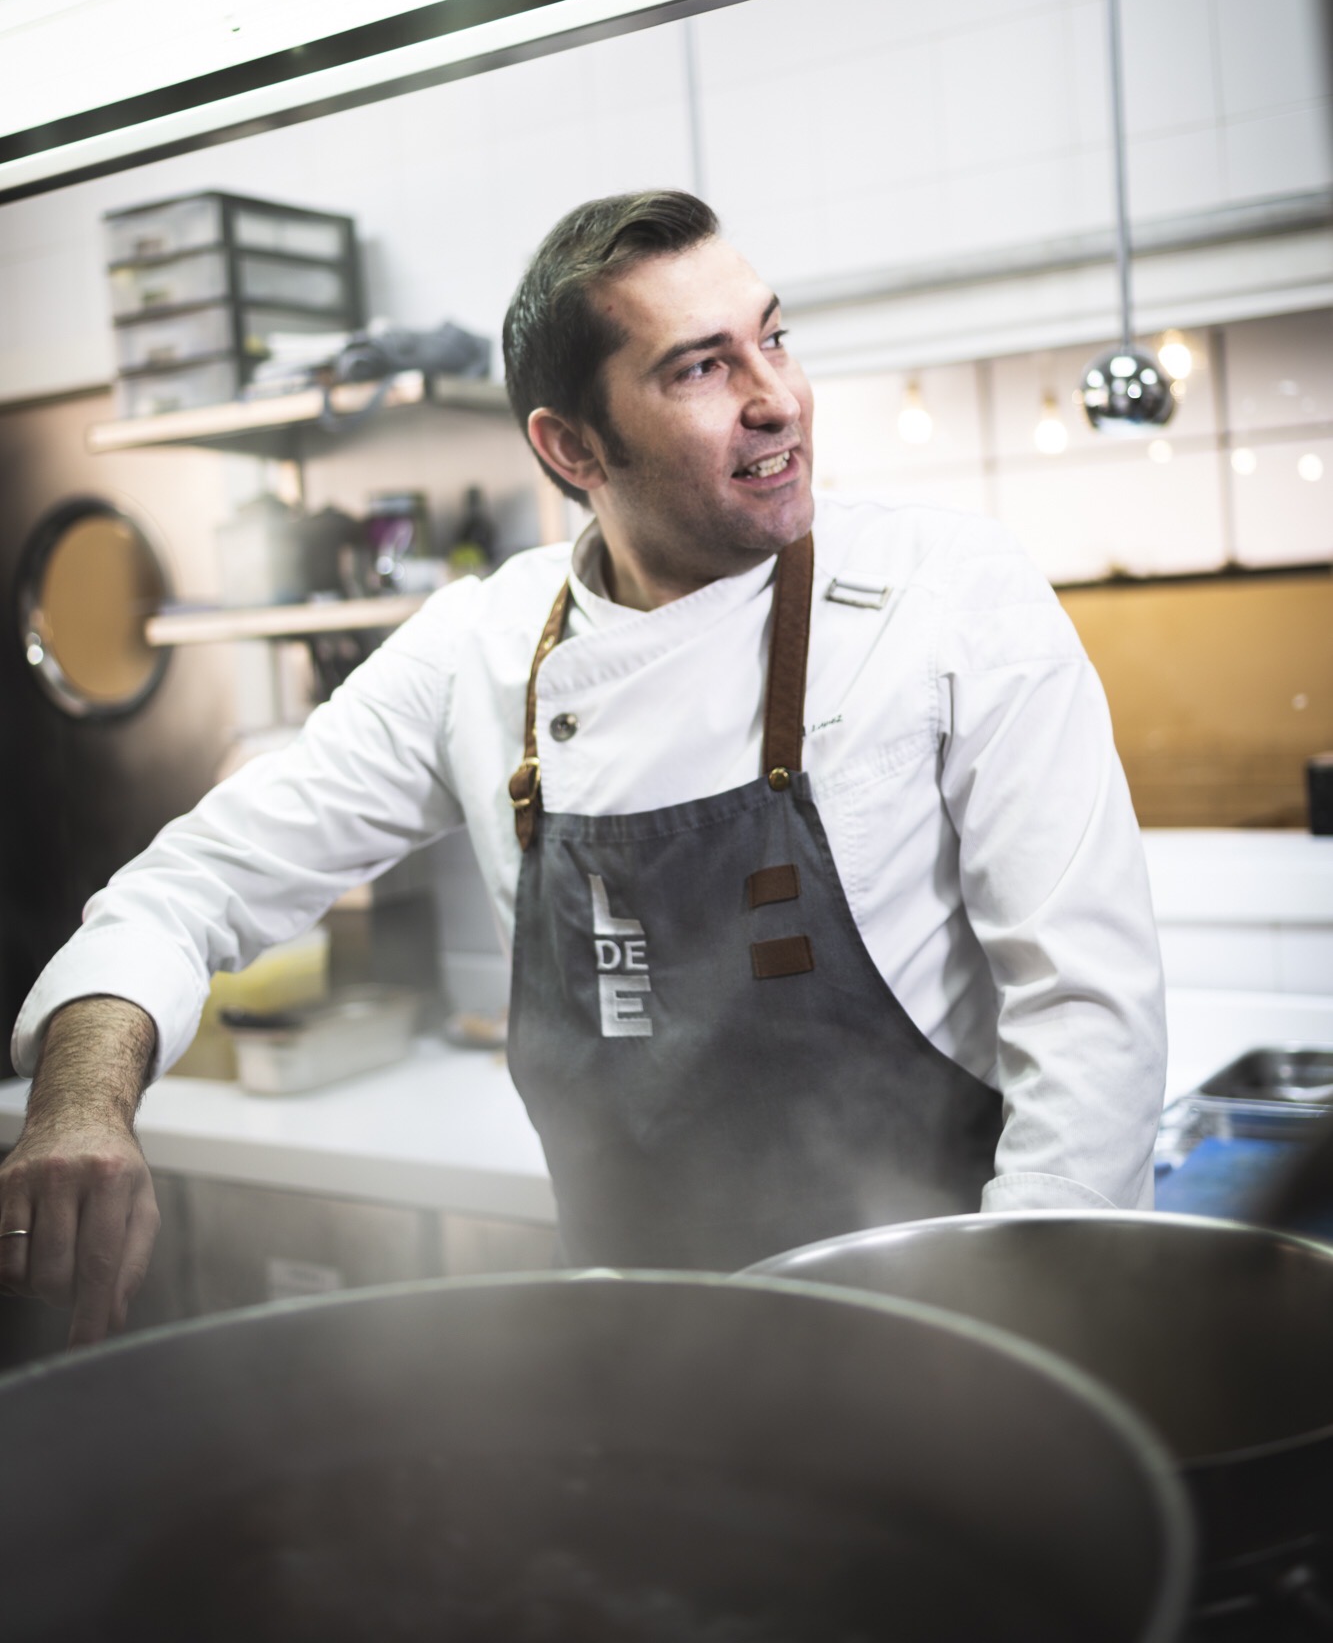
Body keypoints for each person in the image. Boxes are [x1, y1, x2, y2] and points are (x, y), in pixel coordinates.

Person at [0, 190, 1166, 1343]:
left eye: (772, 338)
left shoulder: (948, 592)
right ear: (570, 446)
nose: (777, 400)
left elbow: (1086, 1011)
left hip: (942, 1340)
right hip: (639, 1367)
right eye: (700, 368)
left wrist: (1013, 1347)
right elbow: (193, 884)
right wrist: (78, 1099)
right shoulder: (482, 653)